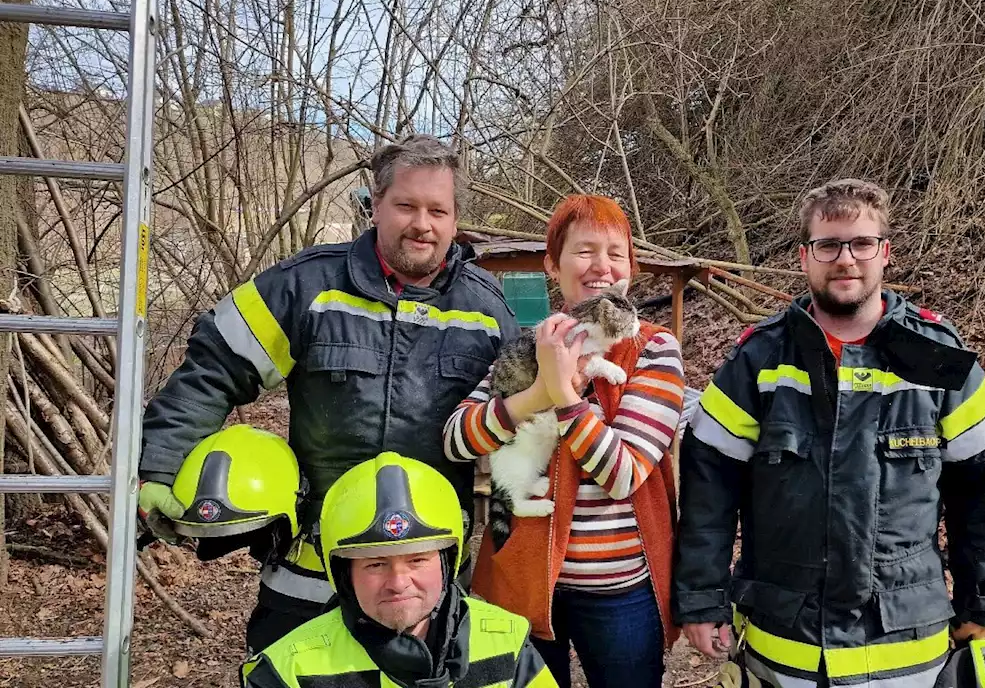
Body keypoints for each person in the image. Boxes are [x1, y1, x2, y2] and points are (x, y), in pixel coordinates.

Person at [136, 134, 521, 653]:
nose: (422, 225)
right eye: (405, 205)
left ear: (455, 220)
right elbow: (213, 367)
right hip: (310, 571)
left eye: (438, 210)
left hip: (423, 577)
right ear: (375, 205)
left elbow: (521, 425)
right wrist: (161, 466)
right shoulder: (306, 286)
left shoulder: (487, 312)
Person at [674, 179, 985, 688]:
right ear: (804, 256)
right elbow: (708, 491)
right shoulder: (759, 360)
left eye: (861, 243)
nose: (846, 259)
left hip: (905, 644)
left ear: (884, 253)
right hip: (784, 643)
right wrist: (702, 599)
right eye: (828, 245)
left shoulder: (937, 359)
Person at [444, 194, 685, 688]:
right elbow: (455, 439)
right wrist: (536, 393)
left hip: (620, 588)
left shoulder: (653, 349)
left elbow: (622, 474)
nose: (601, 266)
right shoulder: (533, 343)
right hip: (523, 577)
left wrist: (567, 400)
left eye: (616, 253)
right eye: (584, 251)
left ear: (629, 271)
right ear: (553, 265)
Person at [240, 452, 557, 688]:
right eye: (376, 564)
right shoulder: (287, 671)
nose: (399, 582)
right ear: (343, 574)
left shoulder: (508, 641)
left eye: (417, 560)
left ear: (447, 563)